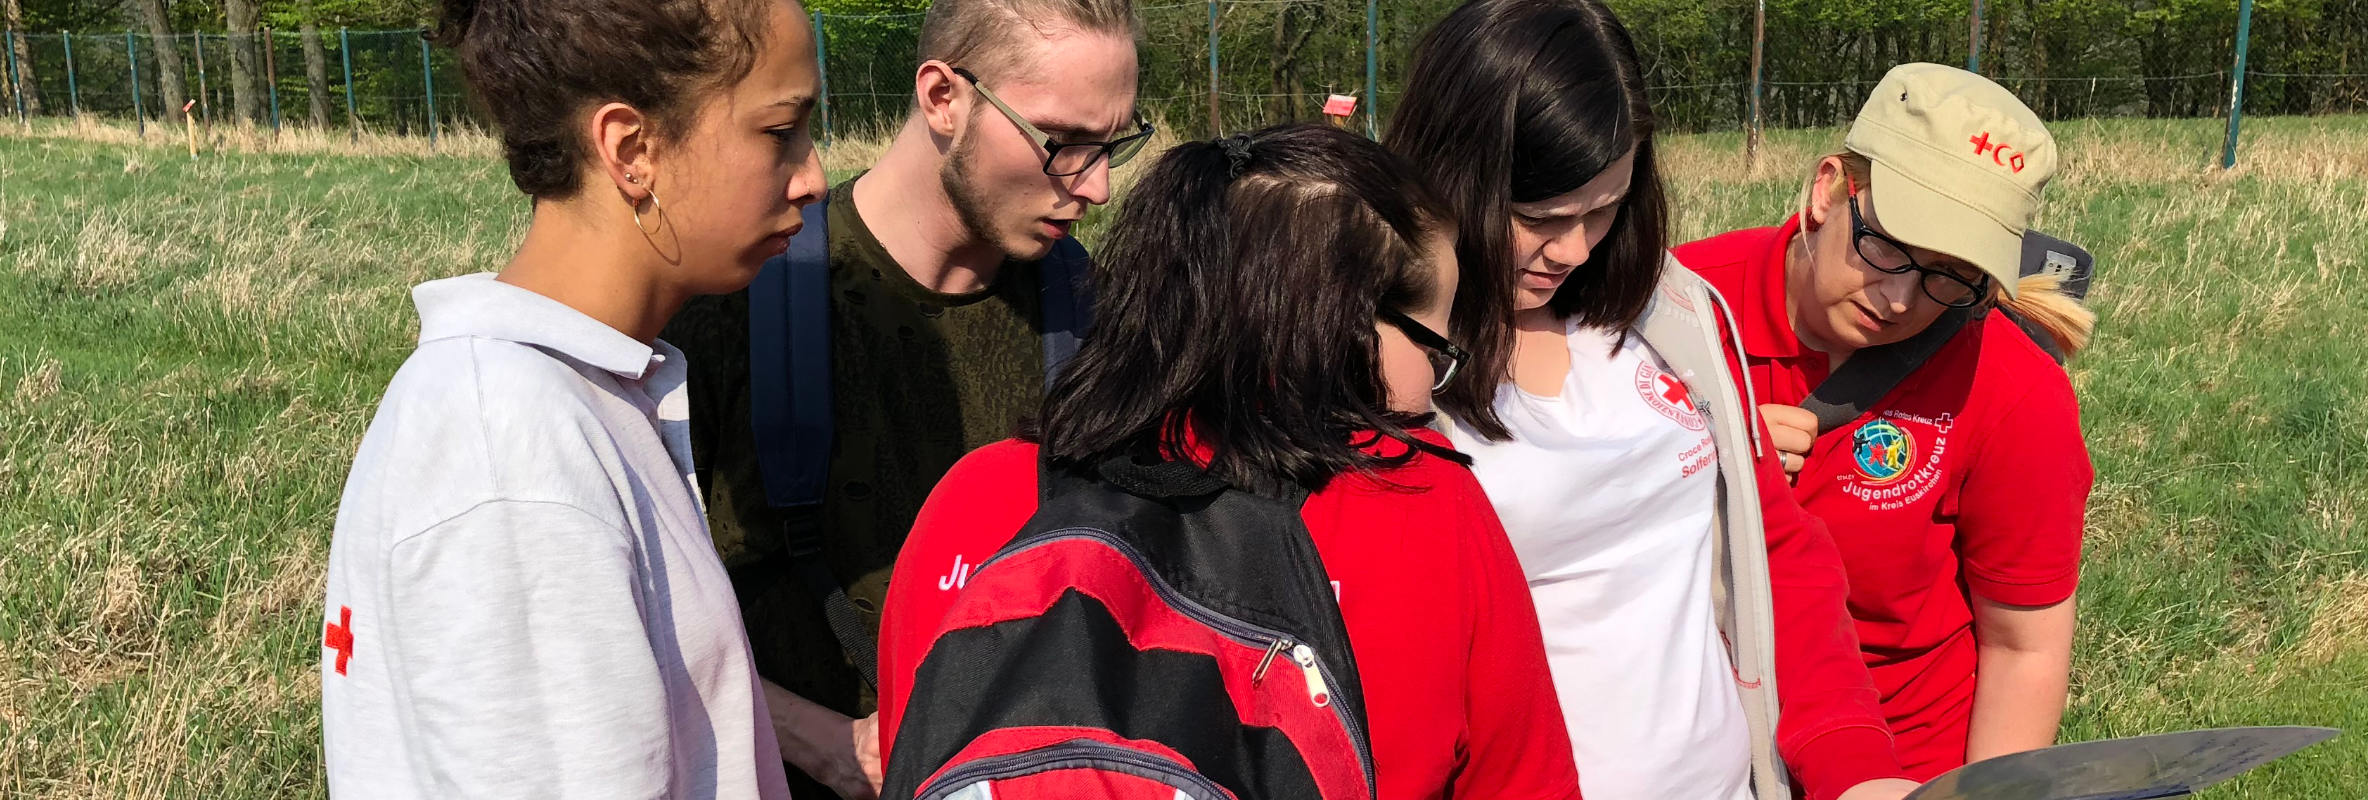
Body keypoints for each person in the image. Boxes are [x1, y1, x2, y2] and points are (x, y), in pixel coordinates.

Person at [879, 124, 1584, 800]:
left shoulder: (975, 495)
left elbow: (913, 757)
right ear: (1343, 327)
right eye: (1436, 348)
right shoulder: (1423, 503)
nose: (1434, 388)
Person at [1384, 1, 1917, 798]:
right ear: (1449, 173)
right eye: (1538, 217)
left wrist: (1856, 769)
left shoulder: (1675, 314)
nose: (1573, 249)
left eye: (1604, 209)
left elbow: (1776, 554)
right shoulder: (1386, 369)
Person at [318, 0, 826, 795]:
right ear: (632, 150)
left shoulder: (577, 394)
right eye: (780, 131)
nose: (814, 176)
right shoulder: (511, 447)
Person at [655, 0, 1149, 796]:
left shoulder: (1100, 317)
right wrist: (816, 739)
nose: (1096, 186)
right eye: (1061, 142)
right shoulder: (735, 305)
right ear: (943, 97)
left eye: (1113, 145)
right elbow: (626, 612)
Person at [1673, 62, 2094, 780]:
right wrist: (1694, 460)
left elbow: (2023, 647)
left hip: (1898, 767)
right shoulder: (1679, 311)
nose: (1900, 300)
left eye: (1950, 274)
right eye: (1889, 245)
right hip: (1695, 748)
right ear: (1829, 189)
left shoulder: (2015, 390)